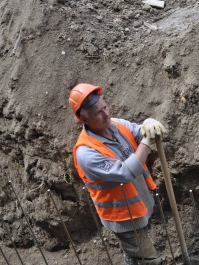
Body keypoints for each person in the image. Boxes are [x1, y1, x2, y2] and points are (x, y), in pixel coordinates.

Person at [68, 83, 166, 265]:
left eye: (105, 107)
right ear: (84, 119)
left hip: (139, 206)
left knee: (135, 255)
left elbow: (139, 131)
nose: (106, 114)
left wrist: (147, 124)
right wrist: (146, 141)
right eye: (98, 113)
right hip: (123, 217)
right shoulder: (86, 153)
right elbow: (127, 171)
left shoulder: (116, 125)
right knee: (149, 260)